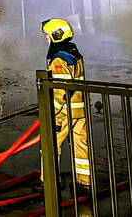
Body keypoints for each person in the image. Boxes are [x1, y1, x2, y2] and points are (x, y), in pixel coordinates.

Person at [41, 18, 91, 188]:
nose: (46, 39)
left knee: (50, 145)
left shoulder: (58, 60)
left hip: (64, 113)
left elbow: (60, 91)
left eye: (47, 36)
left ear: (56, 36)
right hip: (81, 110)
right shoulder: (75, 54)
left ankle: (49, 182)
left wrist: (52, 112)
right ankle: (84, 182)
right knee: (81, 146)